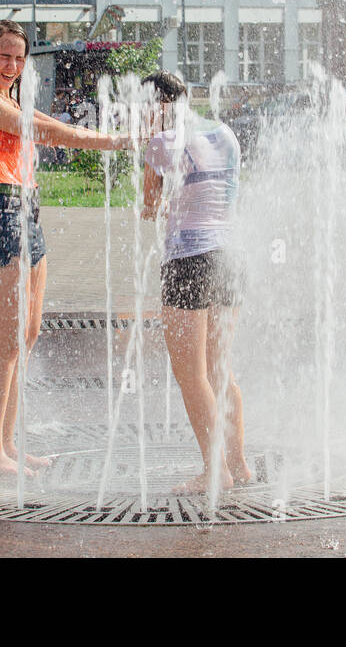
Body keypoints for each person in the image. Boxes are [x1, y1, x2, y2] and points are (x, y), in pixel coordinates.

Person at [0, 20, 133, 477]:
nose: (12, 65)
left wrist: (114, 141)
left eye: (19, 57)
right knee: (6, 335)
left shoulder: (13, 99)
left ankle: (7, 444)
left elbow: (46, 125)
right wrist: (114, 141)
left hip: (27, 212)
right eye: (3, 55)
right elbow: (43, 132)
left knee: (27, 334)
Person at [140, 71, 251, 494]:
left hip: (189, 260)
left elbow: (149, 208)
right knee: (220, 369)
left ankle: (214, 471)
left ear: (157, 105)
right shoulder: (225, 132)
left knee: (191, 375)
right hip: (230, 257)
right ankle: (239, 465)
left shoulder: (162, 142)